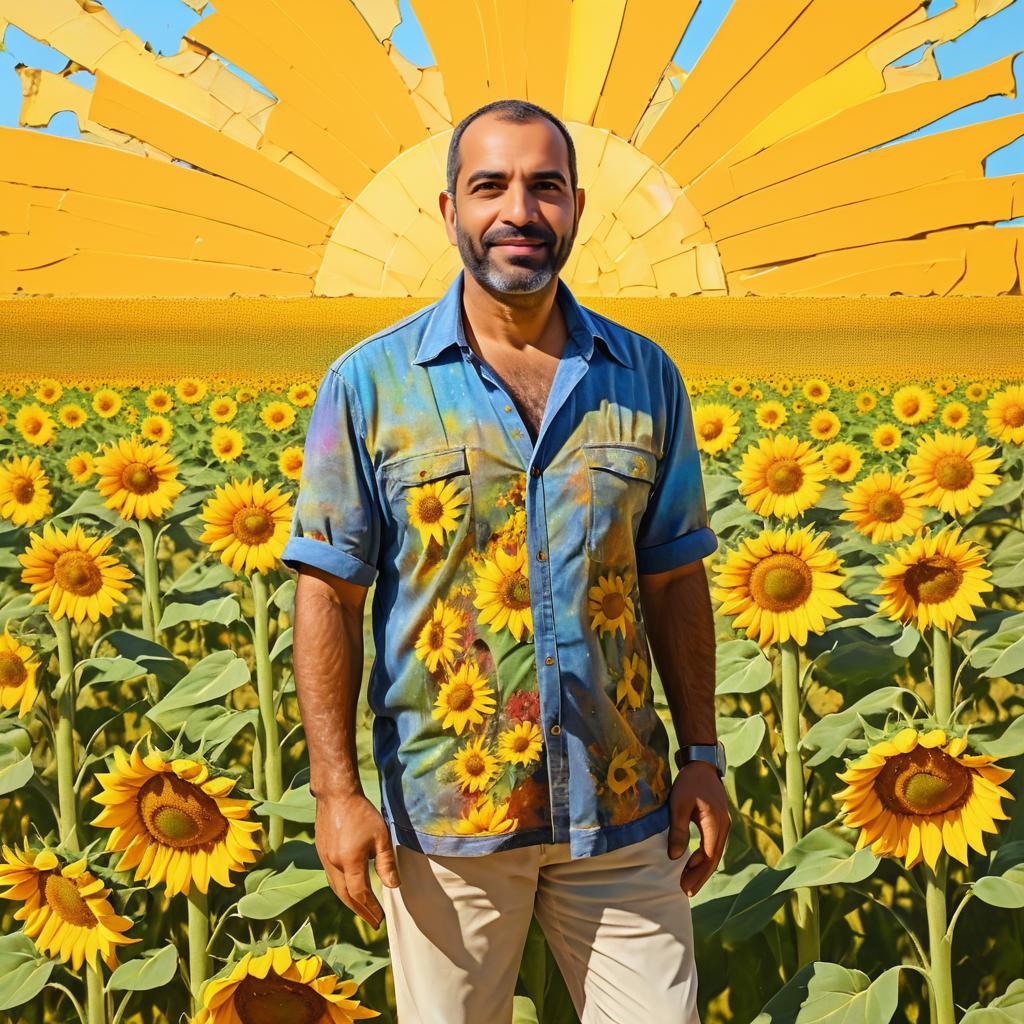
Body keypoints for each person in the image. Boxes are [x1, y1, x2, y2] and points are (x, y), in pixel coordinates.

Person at [282, 98, 731, 1024]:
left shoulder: (644, 377)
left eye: (545, 187)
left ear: (574, 208)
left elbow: (674, 577)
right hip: (446, 817)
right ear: (450, 211)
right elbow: (327, 593)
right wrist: (335, 793)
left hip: (622, 807)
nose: (518, 211)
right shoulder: (369, 384)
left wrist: (701, 753)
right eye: (491, 186)